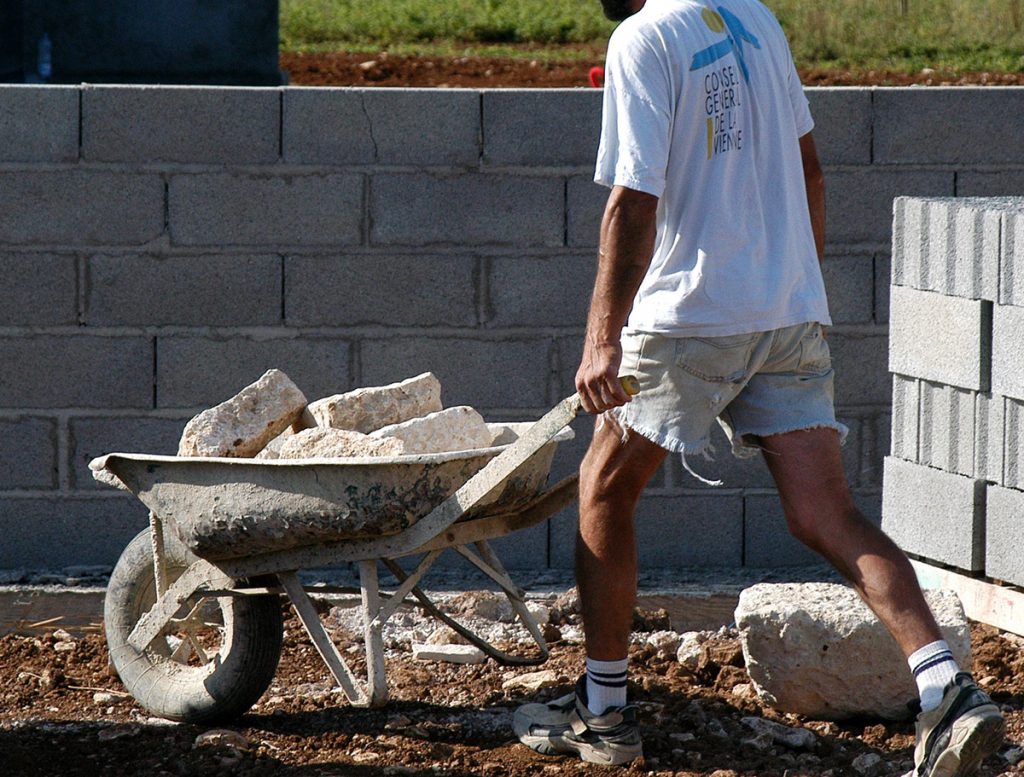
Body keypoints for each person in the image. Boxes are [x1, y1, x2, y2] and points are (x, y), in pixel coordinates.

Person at [513, 0, 1006, 773]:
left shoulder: (644, 38)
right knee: (827, 512)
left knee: (604, 490)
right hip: (786, 309)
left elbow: (631, 201)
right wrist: (796, 289)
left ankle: (603, 712)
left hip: (691, 313)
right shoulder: (757, 19)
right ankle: (947, 691)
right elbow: (810, 169)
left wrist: (603, 337)